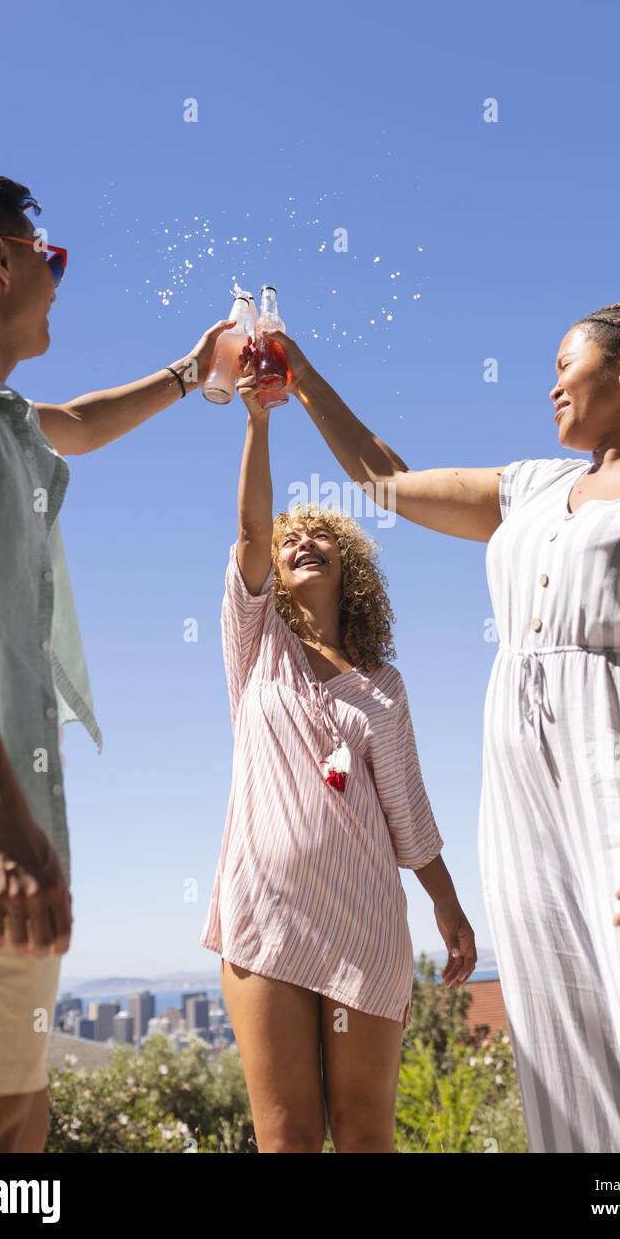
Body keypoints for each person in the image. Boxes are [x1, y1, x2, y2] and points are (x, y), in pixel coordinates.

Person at [264, 299, 620, 1153]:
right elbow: (383, 479)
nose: (549, 388)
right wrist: (302, 374)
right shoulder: (533, 489)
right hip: (534, 818)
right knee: (574, 1054)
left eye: (562, 365)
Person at [0, 165, 236, 1152]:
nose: (61, 281)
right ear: (1, 261)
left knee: (14, 1125)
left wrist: (194, 372)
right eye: (53, 258)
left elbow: (83, 424)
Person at [199, 341, 476, 1153]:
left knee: (362, 1134)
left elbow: (408, 814)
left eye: (321, 535)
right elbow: (251, 528)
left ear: (347, 566)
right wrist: (258, 421)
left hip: (366, 925)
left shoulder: (382, 686)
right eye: (291, 540)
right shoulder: (255, 645)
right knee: (285, 1140)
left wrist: (448, 906)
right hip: (265, 916)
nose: (300, 541)